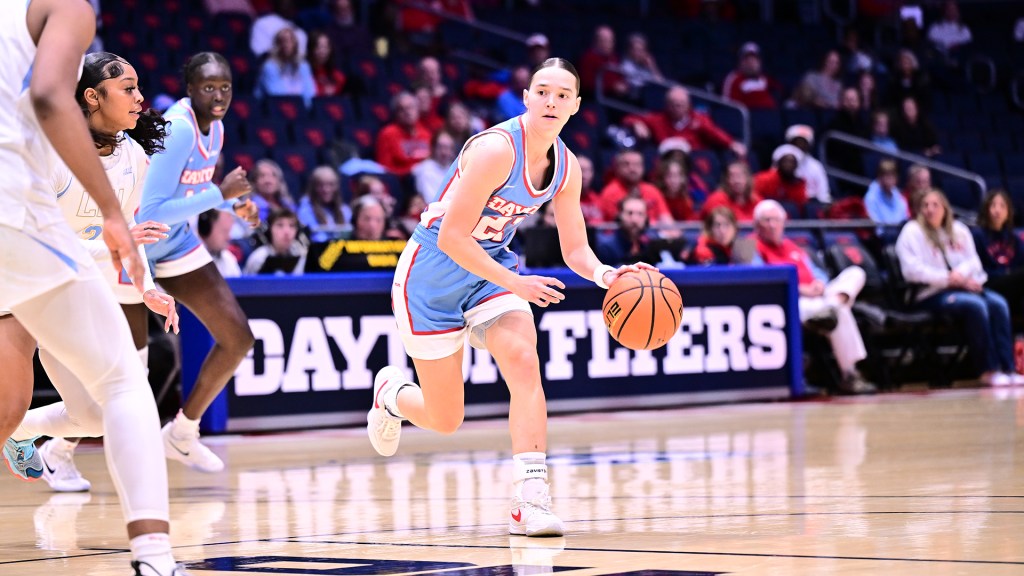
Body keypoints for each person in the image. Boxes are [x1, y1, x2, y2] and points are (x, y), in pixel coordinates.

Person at [367, 59, 652, 538]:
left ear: (576, 106)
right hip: (431, 275)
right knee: (445, 418)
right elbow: (454, 237)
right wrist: (518, 283)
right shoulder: (496, 149)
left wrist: (609, 275)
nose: (551, 101)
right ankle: (391, 395)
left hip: (490, 270)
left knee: (524, 360)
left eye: (563, 95)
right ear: (526, 97)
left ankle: (531, 499)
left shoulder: (566, 167)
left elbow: (576, 248)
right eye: (542, 91)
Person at [0, 2, 187, 574]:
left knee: (13, 408)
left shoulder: (132, 154)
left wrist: (144, 285)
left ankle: (26, 432)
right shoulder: (66, 12)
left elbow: (126, 248)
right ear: (92, 95)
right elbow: (49, 98)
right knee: (126, 382)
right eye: (125, 87)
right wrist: (111, 217)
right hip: (25, 233)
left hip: (47, 259)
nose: (138, 98)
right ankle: (154, 555)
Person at [138, 52, 258, 474]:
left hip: (176, 243)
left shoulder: (216, 128)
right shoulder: (177, 128)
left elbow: (196, 184)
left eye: (224, 86)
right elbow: (148, 211)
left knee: (238, 337)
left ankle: (182, 433)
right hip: (136, 248)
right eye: (209, 87)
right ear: (190, 90)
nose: (219, 95)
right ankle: (58, 451)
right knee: (123, 370)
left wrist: (238, 204)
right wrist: (221, 196)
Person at [896, 189, 1022, 386]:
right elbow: (912, 271)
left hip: (962, 287)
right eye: (925, 205)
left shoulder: (959, 230)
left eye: (935, 205)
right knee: (976, 306)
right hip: (929, 293)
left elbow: (974, 262)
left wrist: (961, 276)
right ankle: (988, 370)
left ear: (945, 208)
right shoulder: (911, 232)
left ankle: (1008, 368)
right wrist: (947, 279)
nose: (930, 209)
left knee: (998, 303)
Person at [752, 200, 877, 395]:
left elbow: (819, 273)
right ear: (757, 225)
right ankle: (850, 375)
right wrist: (801, 289)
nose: (772, 224)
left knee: (855, 273)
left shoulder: (793, 247)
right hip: (791, 302)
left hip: (819, 298)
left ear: (783, 222)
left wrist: (820, 284)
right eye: (766, 220)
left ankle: (832, 307)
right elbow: (760, 280)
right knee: (842, 312)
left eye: (775, 220)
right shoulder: (752, 247)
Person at [972, 189, 1024, 321]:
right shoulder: (978, 235)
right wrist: (1005, 274)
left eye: (1002, 206)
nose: (997, 210)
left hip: (1012, 285)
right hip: (989, 283)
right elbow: (977, 269)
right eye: (993, 205)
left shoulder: (1014, 238)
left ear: (1008, 212)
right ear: (986, 210)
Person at [255, 26, 316, 107]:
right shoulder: (269, 66)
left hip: (300, 112)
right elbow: (277, 95)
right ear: (277, 45)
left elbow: (310, 94)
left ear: (295, 43)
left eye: (290, 41)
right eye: (282, 41)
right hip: (273, 110)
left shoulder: (303, 66)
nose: (286, 44)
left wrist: (304, 111)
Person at [243, 208, 306, 275]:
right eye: (280, 225)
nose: (287, 231)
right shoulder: (258, 259)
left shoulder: (301, 256)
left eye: (292, 225)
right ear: (269, 230)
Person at [297, 165, 348, 242]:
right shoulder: (305, 211)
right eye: (320, 185)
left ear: (337, 186)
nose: (326, 190)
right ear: (313, 187)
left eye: (331, 184)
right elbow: (313, 238)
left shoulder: (344, 210)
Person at [198, 209, 243, 278]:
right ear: (205, 229)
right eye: (224, 231)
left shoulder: (228, 259)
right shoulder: (189, 260)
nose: (228, 238)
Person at [864, 158, 909, 225]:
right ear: (879, 177)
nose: (890, 179)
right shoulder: (871, 197)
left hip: (899, 231)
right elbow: (876, 226)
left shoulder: (896, 193)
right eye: (887, 175)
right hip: (883, 234)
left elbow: (905, 217)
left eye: (892, 175)